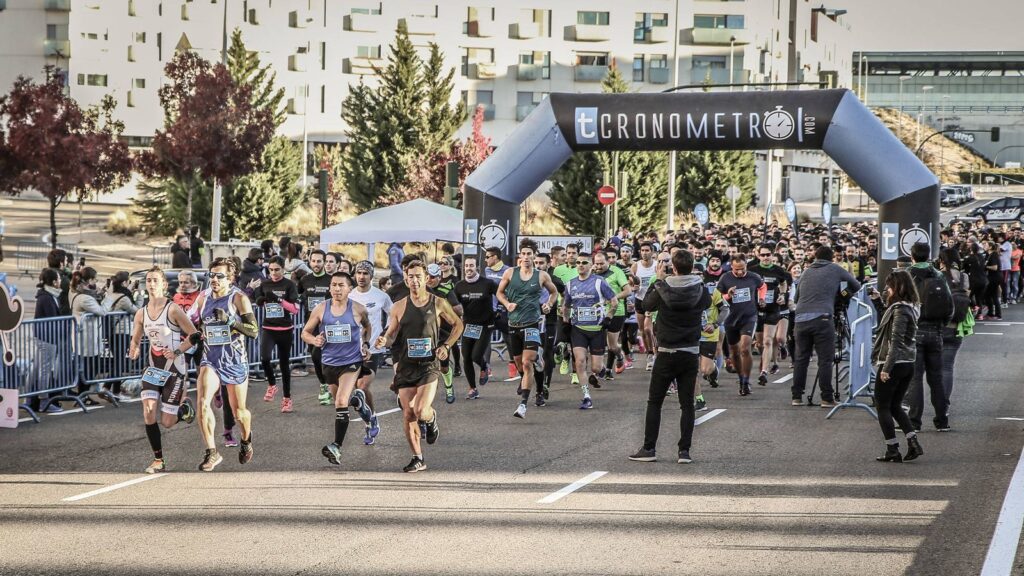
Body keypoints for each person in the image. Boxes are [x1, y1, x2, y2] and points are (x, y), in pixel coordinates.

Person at [375, 260, 463, 473]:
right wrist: (382, 341)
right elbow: (391, 334)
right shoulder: (399, 306)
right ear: (406, 279)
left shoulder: (438, 302)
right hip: (406, 365)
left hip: (428, 365)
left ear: (426, 278)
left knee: (420, 410)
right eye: (410, 277)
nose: (414, 280)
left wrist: (446, 345)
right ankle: (418, 457)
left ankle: (431, 418)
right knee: (408, 414)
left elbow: (458, 325)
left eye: (418, 276)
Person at [628, 249, 710, 464]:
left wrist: (660, 280)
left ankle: (649, 448)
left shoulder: (663, 286)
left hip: (666, 351)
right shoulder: (700, 288)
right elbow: (708, 305)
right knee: (687, 404)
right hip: (690, 351)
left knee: (655, 401)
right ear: (692, 266)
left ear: (672, 267)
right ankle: (684, 451)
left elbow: (646, 305)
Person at [129, 267, 201, 473]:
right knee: (148, 411)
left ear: (163, 285)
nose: (151, 284)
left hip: (174, 369)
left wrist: (178, 351)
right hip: (153, 368)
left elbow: (195, 335)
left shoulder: (173, 309)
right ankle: (158, 459)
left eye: (155, 281)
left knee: (167, 422)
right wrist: (133, 348)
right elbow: (136, 336)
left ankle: (183, 409)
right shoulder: (141, 313)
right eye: (148, 280)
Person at [191, 257, 259, 472]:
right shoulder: (203, 298)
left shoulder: (238, 298)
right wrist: (198, 334)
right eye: (211, 275)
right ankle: (212, 452)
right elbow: (200, 323)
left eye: (219, 276)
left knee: (239, 412)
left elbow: (254, 331)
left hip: (234, 360)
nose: (214, 279)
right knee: (202, 402)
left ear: (230, 278)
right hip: (210, 359)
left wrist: (231, 322)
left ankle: (246, 440)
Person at [302, 272, 376, 466]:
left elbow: (368, 328)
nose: (337, 289)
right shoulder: (321, 309)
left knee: (341, 401)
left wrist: (366, 344)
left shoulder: (358, 309)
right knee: (342, 401)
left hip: (351, 362)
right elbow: (305, 333)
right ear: (329, 288)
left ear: (349, 288)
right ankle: (359, 402)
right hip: (329, 363)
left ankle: (336, 446)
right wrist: (314, 339)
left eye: (341, 285)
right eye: (333, 285)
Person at [790, 245, 860, 407]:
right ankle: (827, 398)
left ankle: (796, 397)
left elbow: (796, 297)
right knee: (825, 359)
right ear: (831, 258)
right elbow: (855, 285)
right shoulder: (835, 269)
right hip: (822, 318)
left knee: (801, 359)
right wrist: (842, 295)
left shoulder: (806, 271)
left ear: (815, 256)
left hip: (800, 319)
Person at [496, 239, 558, 419]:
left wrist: (548, 305)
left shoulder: (541, 276)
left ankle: (523, 404)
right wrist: (507, 304)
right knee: (520, 364)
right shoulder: (509, 273)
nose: (526, 257)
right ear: (519, 256)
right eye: (523, 254)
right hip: (513, 325)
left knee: (526, 362)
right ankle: (538, 388)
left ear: (534, 256)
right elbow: (499, 292)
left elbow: (554, 292)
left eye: (529, 254)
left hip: (532, 324)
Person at [869, 270, 924, 463]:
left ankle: (892, 448)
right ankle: (913, 442)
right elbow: (889, 321)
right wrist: (878, 302)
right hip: (908, 362)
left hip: (895, 363)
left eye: (889, 286)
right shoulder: (911, 307)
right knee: (895, 406)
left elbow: (896, 340)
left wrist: (886, 368)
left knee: (882, 406)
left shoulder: (900, 310)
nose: (887, 290)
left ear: (898, 287)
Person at [907, 242, 953, 432]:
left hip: (915, 330)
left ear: (912, 256)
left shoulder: (907, 274)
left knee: (915, 378)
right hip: (936, 331)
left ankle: (914, 422)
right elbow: (949, 305)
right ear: (929, 256)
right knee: (936, 377)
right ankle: (942, 421)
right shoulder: (938, 275)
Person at [562, 252, 618, 410]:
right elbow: (565, 306)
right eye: (578, 262)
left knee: (595, 368)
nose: (580, 265)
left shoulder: (600, 282)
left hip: (597, 329)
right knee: (579, 362)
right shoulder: (570, 284)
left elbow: (613, 302)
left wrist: (608, 317)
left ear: (591, 265)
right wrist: (566, 323)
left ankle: (599, 373)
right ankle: (586, 396)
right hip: (578, 329)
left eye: (584, 262)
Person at [348, 260, 390, 444]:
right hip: (350, 350)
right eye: (359, 273)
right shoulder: (348, 295)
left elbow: (394, 315)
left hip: (373, 349)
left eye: (365, 273)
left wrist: (385, 334)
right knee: (358, 390)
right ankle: (370, 418)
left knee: (363, 386)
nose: (362, 277)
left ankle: (370, 422)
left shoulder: (381, 296)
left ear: (372, 276)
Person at [714, 254, 765, 396]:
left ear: (746, 266)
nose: (740, 272)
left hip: (749, 317)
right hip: (730, 319)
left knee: (745, 348)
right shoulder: (726, 278)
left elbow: (763, 286)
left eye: (742, 269)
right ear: (731, 267)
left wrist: (761, 298)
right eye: (736, 269)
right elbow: (717, 297)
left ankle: (746, 380)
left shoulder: (753, 277)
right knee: (734, 352)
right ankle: (741, 377)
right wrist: (728, 296)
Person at [254, 256, 300, 412]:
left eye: (276, 269)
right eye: (270, 269)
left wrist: (280, 300)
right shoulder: (264, 283)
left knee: (284, 365)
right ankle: (272, 385)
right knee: (265, 358)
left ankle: (287, 399)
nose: (273, 272)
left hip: (285, 330)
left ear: (283, 269)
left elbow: (295, 309)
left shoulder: (289, 285)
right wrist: (260, 300)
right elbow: (257, 299)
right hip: (269, 328)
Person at [454, 255, 498, 400]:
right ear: (463, 268)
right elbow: (453, 305)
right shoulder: (459, 286)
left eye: (471, 266)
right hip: (469, 325)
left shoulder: (488, 283)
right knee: (466, 357)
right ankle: (472, 388)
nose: (469, 269)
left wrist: (503, 307)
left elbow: (502, 294)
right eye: (466, 266)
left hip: (486, 324)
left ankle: (484, 366)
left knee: (476, 355)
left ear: (477, 267)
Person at [70, 266, 111, 405]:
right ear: (89, 280)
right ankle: (82, 396)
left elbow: (95, 300)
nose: (96, 282)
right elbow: (102, 311)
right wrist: (109, 296)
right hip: (86, 340)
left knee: (88, 369)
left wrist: (101, 293)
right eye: (94, 279)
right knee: (88, 369)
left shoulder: (81, 293)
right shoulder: (84, 298)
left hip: (87, 339)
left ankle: (84, 396)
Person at [426, 263, 465, 404]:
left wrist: (444, 311)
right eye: (427, 276)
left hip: (443, 332)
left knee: (443, 365)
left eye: (432, 277)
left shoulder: (446, 289)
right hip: (426, 332)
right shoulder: (421, 289)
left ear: (438, 277)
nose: (429, 280)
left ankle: (449, 387)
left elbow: (459, 310)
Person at [298, 250, 333, 404]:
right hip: (311, 326)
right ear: (310, 262)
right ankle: (326, 384)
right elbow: (296, 295)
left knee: (321, 356)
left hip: (328, 325)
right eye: (313, 261)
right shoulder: (305, 280)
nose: (316, 264)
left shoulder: (331, 280)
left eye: (319, 261)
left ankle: (329, 385)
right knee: (315, 356)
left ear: (324, 262)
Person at [29, 268, 65, 414]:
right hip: (47, 338)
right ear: (54, 282)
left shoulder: (47, 295)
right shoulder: (47, 297)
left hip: (44, 337)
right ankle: (44, 402)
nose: (61, 281)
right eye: (59, 279)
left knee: (37, 368)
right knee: (44, 370)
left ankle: (30, 400)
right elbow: (52, 319)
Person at [593, 251, 632, 381]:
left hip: (616, 311)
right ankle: (603, 369)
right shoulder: (592, 273)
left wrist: (613, 298)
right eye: (596, 263)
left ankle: (620, 355)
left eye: (601, 263)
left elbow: (628, 291)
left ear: (608, 261)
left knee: (612, 346)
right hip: (598, 311)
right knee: (597, 342)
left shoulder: (616, 271)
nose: (599, 266)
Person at [103, 271, 141, 392]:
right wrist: (139, 294)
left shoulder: (111, 295)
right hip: (121, 332)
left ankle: (111, 390)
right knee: (119, 362)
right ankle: (110, 390)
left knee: (116, 361)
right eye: (128, 282)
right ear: (124, 283)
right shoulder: (124, 298)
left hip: (112, 332)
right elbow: (137, 310)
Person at [631, 242, 658, 370]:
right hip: (640, 299)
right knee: (642, 329)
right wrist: (634, 288)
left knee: (649, 329)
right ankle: (649, 353)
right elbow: (630, 284)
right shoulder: (636, 266)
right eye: (642, 250)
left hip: (653, 301)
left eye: (647, 250)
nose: (645, 252)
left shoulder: (657, 265)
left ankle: (654, 352)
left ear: (652, 252)